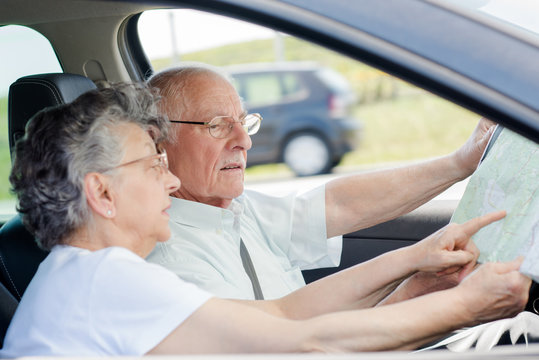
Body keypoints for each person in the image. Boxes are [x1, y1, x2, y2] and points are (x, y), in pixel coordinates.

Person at [0, 82, 530, 357]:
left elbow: (281, 313)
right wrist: (462, 306)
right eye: (152, 164)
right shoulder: (104, 282)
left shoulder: (88, 275)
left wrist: (413, 259)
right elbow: (304, 344)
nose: (168, 180)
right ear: (102, 192)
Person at [146, 64, 501, 301]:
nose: (245, 141)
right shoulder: (167, 258)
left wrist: (460, 162)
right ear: (158, 142)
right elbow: (287, 336)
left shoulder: (239, 209)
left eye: (243, 121)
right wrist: (414, 277)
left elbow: (337, 204)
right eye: (218, 125)